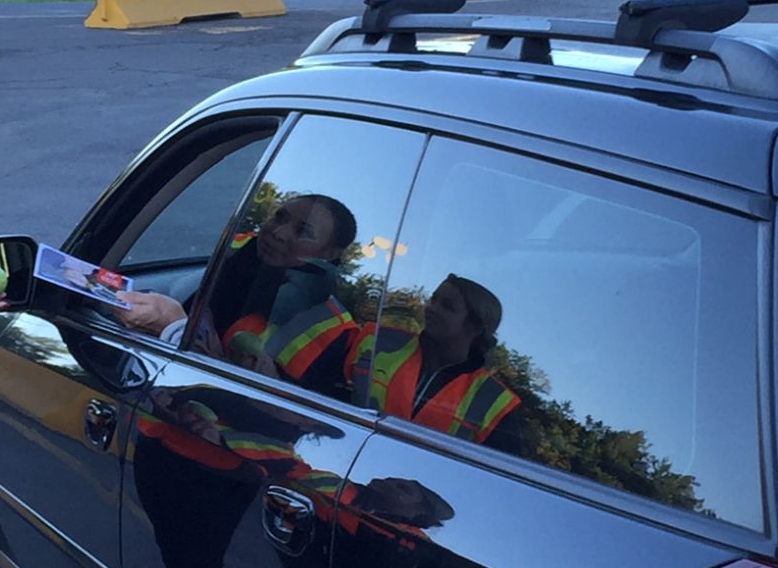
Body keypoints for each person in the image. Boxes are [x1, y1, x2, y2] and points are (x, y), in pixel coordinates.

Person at [119, 193, 358, 390]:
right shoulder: (238, 252)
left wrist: (174, 329)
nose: (278, 232)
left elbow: (285, 417)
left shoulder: (331, 329)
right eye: (279, 217)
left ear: (329, 254)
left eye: (303, 231)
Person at [345, 274, 525, 452]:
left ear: (474, 327)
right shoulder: (377, 340)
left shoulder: (494, 402)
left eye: (447, 306)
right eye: (433, 299)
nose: (431, 308)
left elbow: (496, 468)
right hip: (347, 458)